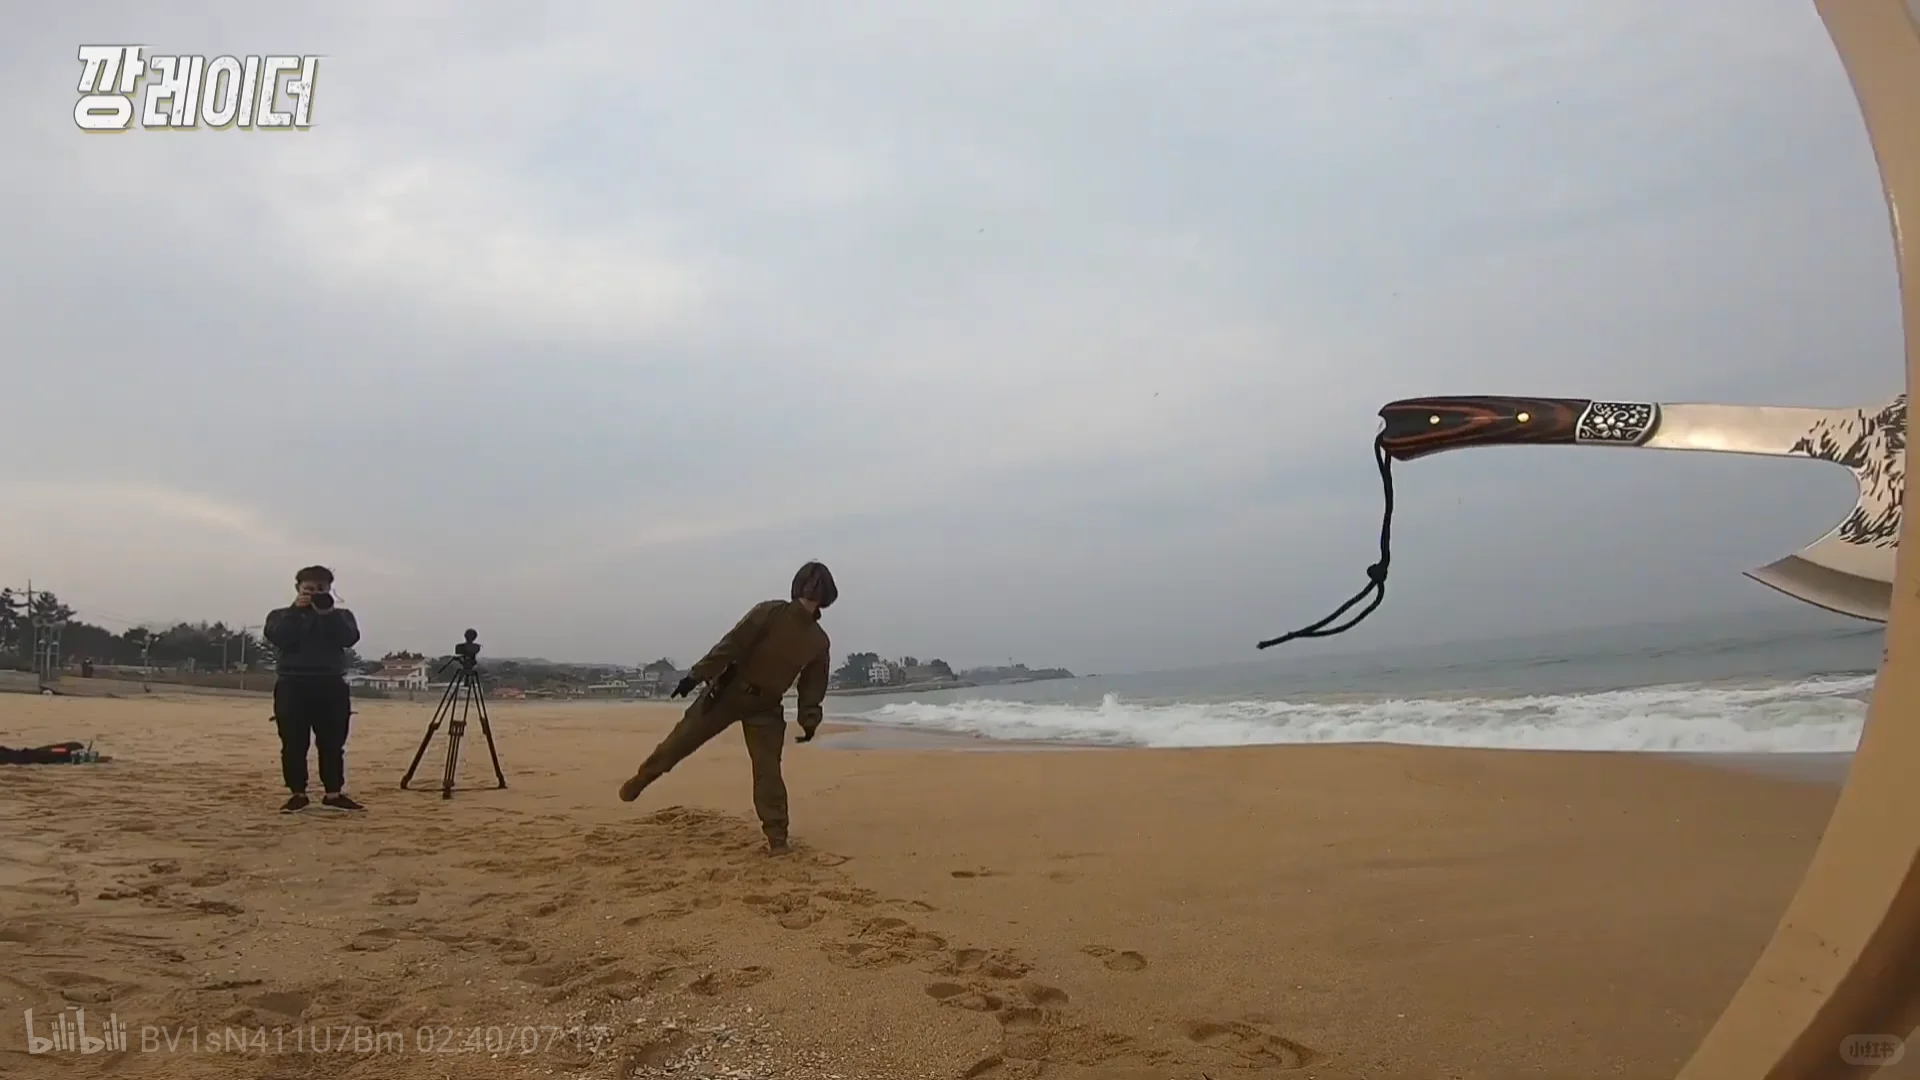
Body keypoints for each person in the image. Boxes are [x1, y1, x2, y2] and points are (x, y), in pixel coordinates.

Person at [617, 561, 837, 855]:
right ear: (798, 586)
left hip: (766, 707)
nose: (812, 593)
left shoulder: (819, 641)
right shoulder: (769, 612)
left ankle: (777, 839)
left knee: (768, 772)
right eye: (809, 586)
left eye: (818, 588)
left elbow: (813, 686)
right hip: (726, 693)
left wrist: (809, 719)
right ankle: (641, 780)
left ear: (827, 595)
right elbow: (731, 644)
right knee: (679, 743)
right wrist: (696, 676)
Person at [263, 565, 364, 813]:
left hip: (331, 684)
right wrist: (296, 611)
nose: (316, 593)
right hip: (292, 684)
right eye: (309, 588)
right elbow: (278, 637)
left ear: (330, 589)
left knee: (333, 742)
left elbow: (348, 639)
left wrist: (327, 613)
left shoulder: (342, 615)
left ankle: (333, 793)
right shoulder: (280, 615)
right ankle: (298, 793)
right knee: (293, 743)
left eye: (321, 588)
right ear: (298, 588)